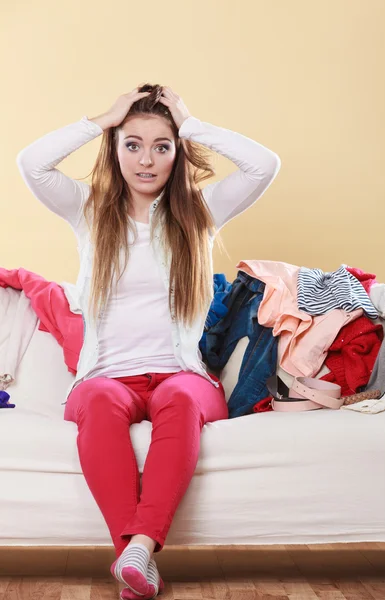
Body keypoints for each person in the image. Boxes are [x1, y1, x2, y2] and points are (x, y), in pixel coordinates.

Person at [16, 83, 281, 599]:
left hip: (181, 376)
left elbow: (263, 165)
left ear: (177, 152)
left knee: (181, 398)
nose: (146, 159)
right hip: (107, 377)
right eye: (132, 144)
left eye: (162, 145)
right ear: (114, 152)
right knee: (95, 398)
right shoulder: (89, 211)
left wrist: (190, 122)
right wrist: (104, 118)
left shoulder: (199, 212)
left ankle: (136, 549)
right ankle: (135, 555)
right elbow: (32, 163)